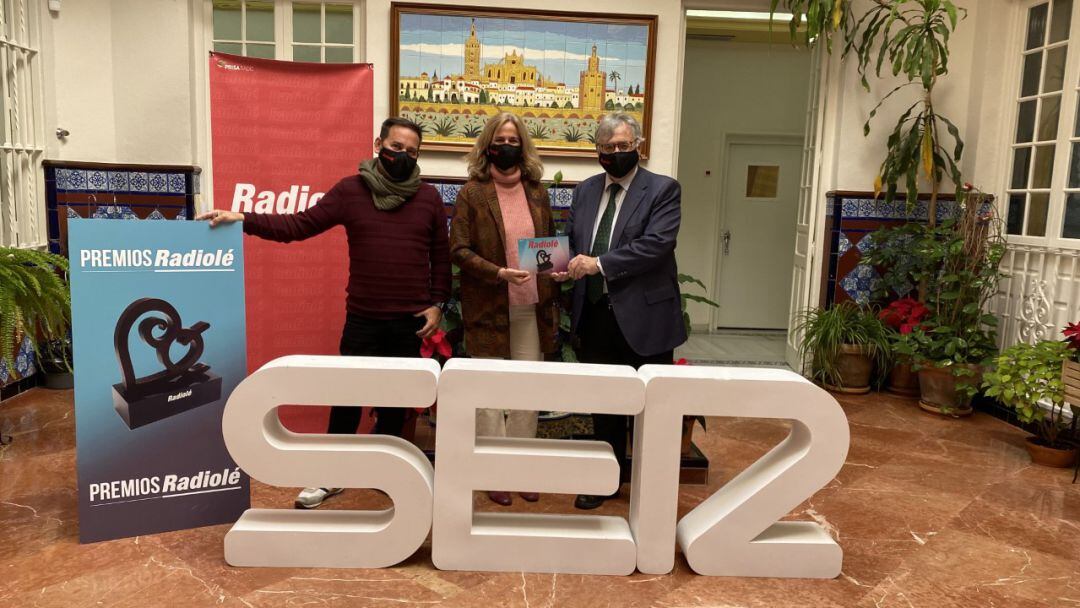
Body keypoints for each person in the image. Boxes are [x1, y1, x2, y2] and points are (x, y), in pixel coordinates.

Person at [198, 117, 451, 509]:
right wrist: (244, 218)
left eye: (412, 152)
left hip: (410, 323)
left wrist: (438, 303)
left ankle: (389, 476)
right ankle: (331, 476)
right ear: (379, 143)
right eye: (396, 147)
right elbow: (298, 226)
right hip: (364, 318)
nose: (402, 156)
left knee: (397, 404)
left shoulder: (429, 198)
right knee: (347, 398)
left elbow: (440, 256)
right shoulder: (351, 191)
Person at [561, 113, 687, 510]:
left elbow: (656, 245)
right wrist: (555, 267)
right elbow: (571, 241)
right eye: (607, 148)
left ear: (638, 146)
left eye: (622, 146)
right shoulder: (584, 191)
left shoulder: (663, 190)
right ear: (597, 152)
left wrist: (597, 264)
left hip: (645, 317)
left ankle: (651, 486)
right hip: (596, 313)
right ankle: (606, 479)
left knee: (652, 406)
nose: (615, 154)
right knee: (606, 403)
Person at [449, 112, 558, 506]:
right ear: (488, 146)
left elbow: (545, 246)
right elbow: (458, 250)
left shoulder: (537, 191)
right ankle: (493, 472)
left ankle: (520, 469)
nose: (507, 146)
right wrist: (498, 273)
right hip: (489, 305)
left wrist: (554, 272)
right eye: (501, 139)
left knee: (527, 391)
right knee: (491, 394)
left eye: (514, 139)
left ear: (523, 146)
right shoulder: (472, 193)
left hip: (532, 305)